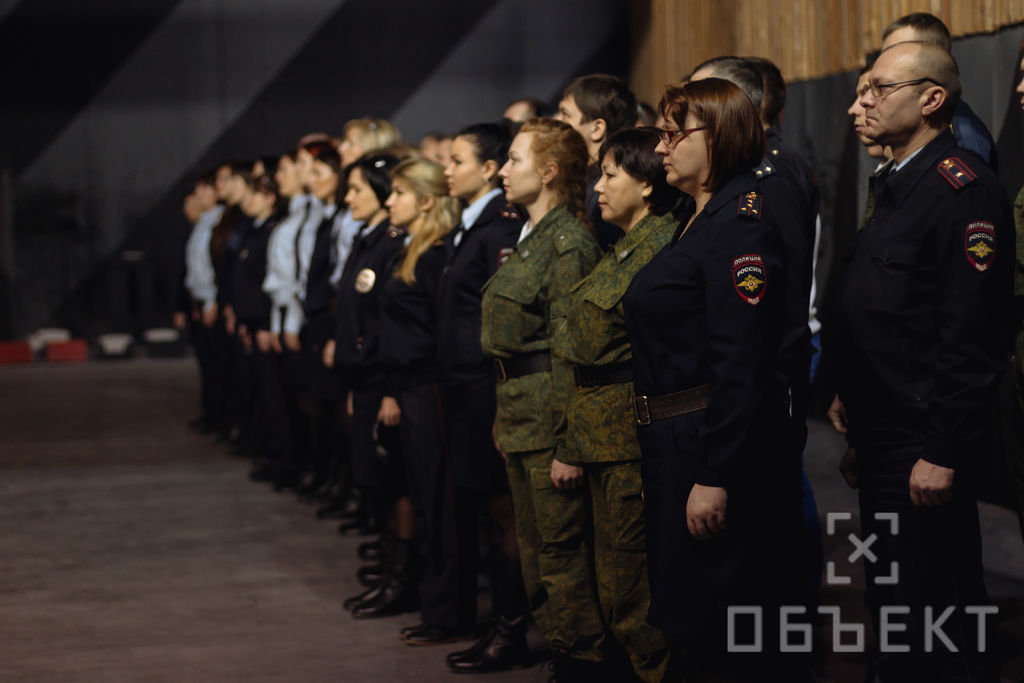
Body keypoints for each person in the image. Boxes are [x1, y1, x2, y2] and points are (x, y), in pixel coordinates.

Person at [834, 42, 1010, 682]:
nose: (859, 104)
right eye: (861, 89)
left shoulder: (962, 192)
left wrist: (942, 450)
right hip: (883, 437)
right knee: (893, 599)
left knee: (929, 610)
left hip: (922, 444)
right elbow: (884, 312)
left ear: (931, 99)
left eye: (878, 89)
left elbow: (973, 337)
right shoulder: (898, 184)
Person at [622, 79, 803, 679]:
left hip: (706, 442)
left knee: (719, 622)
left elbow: (741, 362)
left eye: (674, 134)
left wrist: (714, 474)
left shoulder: (740, 223)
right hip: (676, 439)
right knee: (690, 615)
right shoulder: (698, 215)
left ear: (718, 136)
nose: (662, 146)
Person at [480, 118, 603, 680]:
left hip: (548, 420)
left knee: (561, 551)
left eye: (514, 160)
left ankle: (582, 661)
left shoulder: (568, 244)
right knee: (535, 550)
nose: (503, 171)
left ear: (549, 171)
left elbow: (570, 353)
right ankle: (563, 650)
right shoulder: (530, 236)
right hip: (521, 413)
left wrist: (567, 442)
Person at [562, 127, 679, 681]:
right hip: (601, 436)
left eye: (610, 174)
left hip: (630, 438)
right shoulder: (627, 245)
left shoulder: (663, 247)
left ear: (648, 184)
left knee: (634, 586)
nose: (598, 186)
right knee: (615, 579)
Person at [438, 122, 530, 672]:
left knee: (504, 512)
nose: (447, 170)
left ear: (489, 168)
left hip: (485, 386)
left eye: (457, 160)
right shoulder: (471, 221)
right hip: (464, 386)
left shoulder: (501, 226)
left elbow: (501, 316)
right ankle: (496, 622)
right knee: (483, 510)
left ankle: (510, 629)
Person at [376, 157, 463, 636]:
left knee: (440, 500)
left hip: (431, 388)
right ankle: (435, 606)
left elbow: (439, 333)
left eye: (400, 193)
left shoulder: (435, 255)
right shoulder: (410, 249)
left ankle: (448, 614)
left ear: (427, 201)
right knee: (423, 499)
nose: (390, 201)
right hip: (409, 386)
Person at [881, 12, 998, 170]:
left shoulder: (963, 133)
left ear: (933, 56)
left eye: (898, 52)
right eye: (884, 54)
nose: (883, 63)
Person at [554, 74, 638, 251]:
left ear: (597, 129)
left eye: (565, 114)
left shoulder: (603, 191)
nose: (556, 121)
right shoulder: (578, 178)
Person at [180, 172, 224, 435]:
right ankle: (211, 414)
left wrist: (211, 301)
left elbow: (214, 267)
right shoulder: (203, 222)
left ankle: (220, 417)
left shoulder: (218, 222)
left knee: (216, 364)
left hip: (210, 300)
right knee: (207, 363)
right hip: (199, 299)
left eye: (203, 190)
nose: (199, 196)